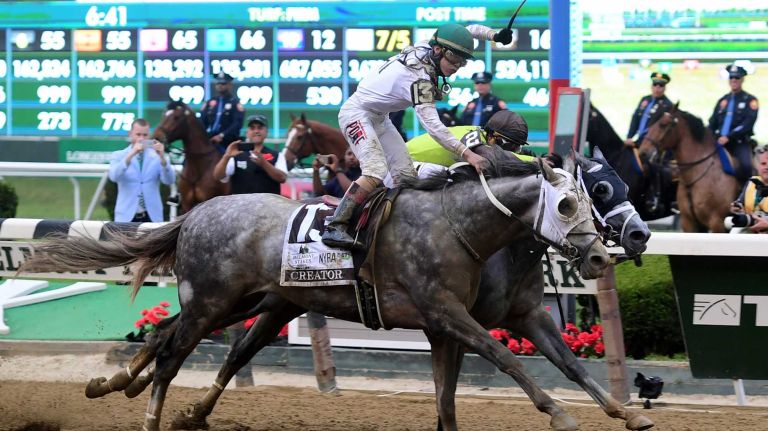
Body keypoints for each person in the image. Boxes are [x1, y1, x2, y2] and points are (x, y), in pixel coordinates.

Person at [323, 23, 514, 249]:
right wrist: (469, 156)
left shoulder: (428, 44)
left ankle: (397, 224)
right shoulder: (418, 80)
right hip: (356, 114)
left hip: (380, 118)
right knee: (375, 171)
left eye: (462, 62)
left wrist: (494, 35)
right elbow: (433, 127)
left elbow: (467, 29)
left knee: (407, 176)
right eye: (453, 60)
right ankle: (335, 225)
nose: (457, 67)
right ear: (438, 51)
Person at [108, 118, 176, 222]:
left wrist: (162, 158)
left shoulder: (157, 156)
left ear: (149, 136)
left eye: (145, 135)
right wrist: (131, 154)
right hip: (126, 217)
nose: (141, 139)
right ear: (130, 134)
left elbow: (169, 180)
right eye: (138, 134)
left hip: (152, 216)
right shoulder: (119, 155)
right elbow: (114, 176)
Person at [708, 64, 759, 183]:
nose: (734, 80)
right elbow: (712, 122)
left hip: (739, 143)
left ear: (742, 79)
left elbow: (747, 124)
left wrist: (729, 136)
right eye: (731, 78)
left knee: (746, 166)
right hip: (718, 143)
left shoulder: (750, 100)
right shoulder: (722, 101)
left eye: (737, 78)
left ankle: (744, 195)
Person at [212, 114, 287, 195]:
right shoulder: (237, 154)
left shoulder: (277, 155)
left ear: (266, 132)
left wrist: (264, 163)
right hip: (242, 205)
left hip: (269, 206)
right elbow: (217, 176)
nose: (256, 131)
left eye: (260, 128)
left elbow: (282, 178)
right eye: (252, 128)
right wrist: (226, 156)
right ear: (247, 133)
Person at [200, 71, 245, 154]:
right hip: (209, 139)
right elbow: (202, 122)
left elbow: (237, 124)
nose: (220, 85)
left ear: (230, 85)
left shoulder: (235, 104)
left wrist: (222, 135)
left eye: (223, 83)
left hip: (227, 142)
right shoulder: (209, 103)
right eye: (218, 83)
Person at [625, 72, 674, 147]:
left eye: (661, 85)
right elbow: (636, 118)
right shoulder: (645, 99)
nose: (657, 88)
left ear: (665, 88)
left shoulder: (667, 105)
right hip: (639, 139)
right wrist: (629, 137)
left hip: (651, 143)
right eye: (655, 85)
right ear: (651, 86)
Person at [729, 144, 768, 233]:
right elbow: (740, 202)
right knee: (734, 232)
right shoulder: (752, 182)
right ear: (757, 165)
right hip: (751, 227)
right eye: (763, 164)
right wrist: (737, 206)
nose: (767, 167)